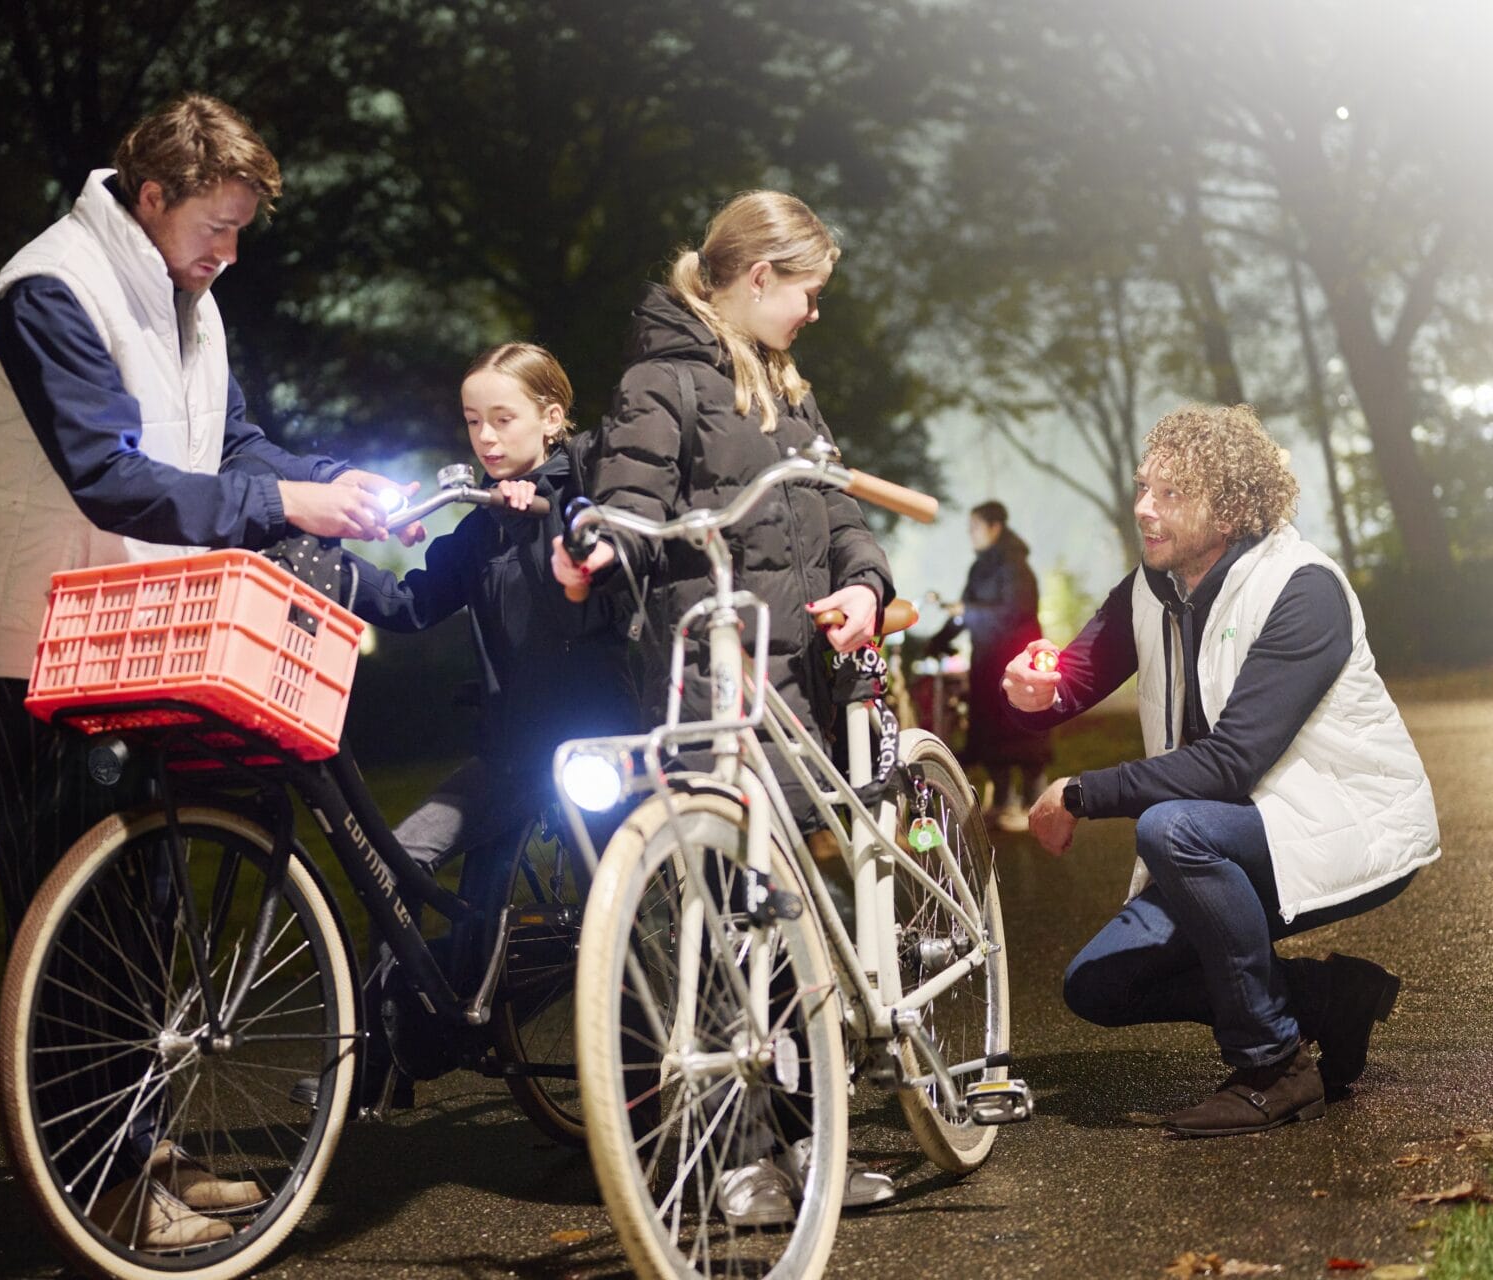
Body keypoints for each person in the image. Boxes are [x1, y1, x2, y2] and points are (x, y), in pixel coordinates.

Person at [0, 93, 410, 1247]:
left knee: (141, 896)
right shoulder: (49, 290)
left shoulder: (189, 295)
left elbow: (226, 445)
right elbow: (111, 472)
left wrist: (334, 482)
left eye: (240, 231)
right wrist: (286, 502)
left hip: (126, 626)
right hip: (22, 638)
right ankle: (109, 1182)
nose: (228, 255)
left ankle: (149, 1149)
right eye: (215, 226)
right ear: (151, 197)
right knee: (71, 914)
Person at [552, 190, 897, 1223]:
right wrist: (601, 539)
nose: (813, 312)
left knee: (787, 929)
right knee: (714, 928)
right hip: (710, 687)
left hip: (794, 689)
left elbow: (838, 511)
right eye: (807, 291)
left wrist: (865, 585)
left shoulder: (788, 390)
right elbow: (632, 495)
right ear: (758, 279)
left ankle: (810, 1140)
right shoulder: (663, 380)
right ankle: (734, 1153)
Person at [1000, 403, 1440, 1138]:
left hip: (1337, 821)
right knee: (1100, 985)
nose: (1145, 508)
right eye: (1144, 488)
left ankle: (1273, 1066)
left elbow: (1231, 764)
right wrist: (1031, 695)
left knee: (1172, 831)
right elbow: (1071, 679)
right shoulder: (1154, 583)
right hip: (1231, 829)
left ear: (1233, 507)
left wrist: (1080, 794)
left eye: (1171, 495)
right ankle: (1326, 997)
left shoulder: (1303, 589)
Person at [346, 340, 639, 901]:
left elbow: (581, 607)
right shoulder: (480, 526)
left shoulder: (587, 496)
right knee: (397, 863)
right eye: (474, 421)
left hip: (597, 748)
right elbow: (412, 604)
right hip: (514, 753)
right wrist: (332, 567)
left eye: (503, 420)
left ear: (551, 418)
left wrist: (534, 521)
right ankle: (424, 991)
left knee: (619, 907)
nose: (486, 437)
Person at [925, 501, 1053, 831]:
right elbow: (967, 608)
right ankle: (1002, 801)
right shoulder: (980, 568)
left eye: (975, 527)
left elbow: (1012, 610)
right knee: (991, 732)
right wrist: (941, 637)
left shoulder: (1015, 565)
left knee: (1022, 729)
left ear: (994, 527)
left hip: (1016, 660)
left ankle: (1033, 803)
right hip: (987, 662)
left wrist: (968, 612)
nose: (970, 534)